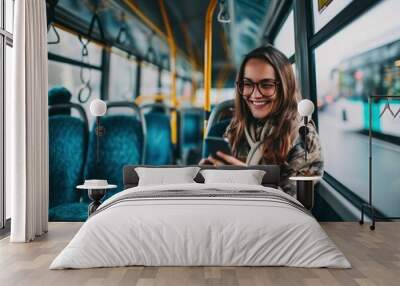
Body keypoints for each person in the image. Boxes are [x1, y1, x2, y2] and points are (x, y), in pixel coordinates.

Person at [201, 45, 323, 196]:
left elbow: (295, 204)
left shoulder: (303, 136)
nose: (256, 95)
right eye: (247, 84)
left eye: (266, 85)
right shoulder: (235, 127)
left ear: (286, 87)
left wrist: (247, 181)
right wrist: (206, 177)